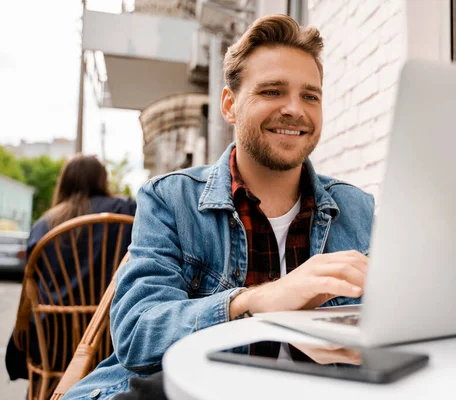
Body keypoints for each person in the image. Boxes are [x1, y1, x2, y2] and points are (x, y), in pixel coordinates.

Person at [62, 14, 374, 400]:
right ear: (229, 105)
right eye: (272, 91)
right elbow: (137, 334)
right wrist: (255, 302)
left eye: (310, 96)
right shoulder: (170, 200)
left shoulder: (359, 209)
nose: (295, 109)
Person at [5, 155, 136, 386]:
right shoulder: (127, 210)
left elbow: (30, 288)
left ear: (64, 182)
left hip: (54, 344)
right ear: (102, 179)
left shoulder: (45, 224)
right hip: (111, 338)